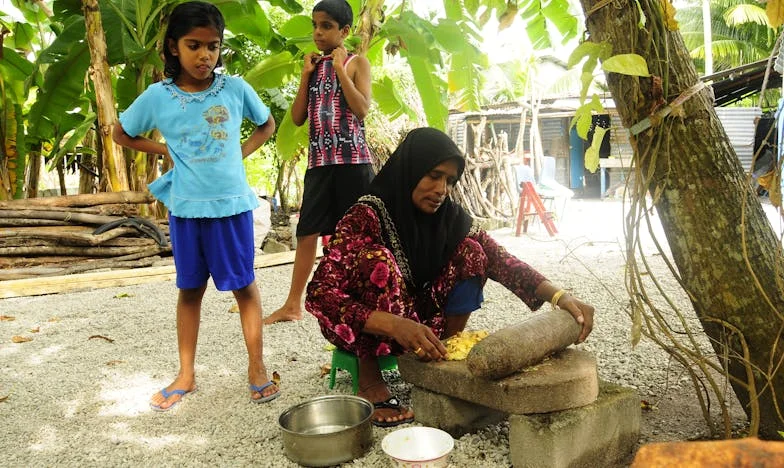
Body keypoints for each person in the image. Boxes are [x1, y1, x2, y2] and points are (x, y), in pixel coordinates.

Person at [305, 128, 595, 427]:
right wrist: (393, 324)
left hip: (417, 325)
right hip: (358, 325)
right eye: (433, 175)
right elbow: (319, 293)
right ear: (410, 169)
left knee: (473, 251)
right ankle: (369, 378)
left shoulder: (449, 217)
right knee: (375, 261)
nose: (442, 188)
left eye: (449, 180)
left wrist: (560, 296)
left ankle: (445, 350)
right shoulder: (366, 215)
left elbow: (499, 259)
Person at [112, 1, 279, 411]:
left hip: (232, 208)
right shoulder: (157, 97)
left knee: (244, 286)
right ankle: (186, 374)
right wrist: (164, 150)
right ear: (173, 47)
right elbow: (121, 133)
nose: (205, 55)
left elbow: (267, 124)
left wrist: (238, 154)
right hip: (186, 209)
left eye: (213, 46)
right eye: (194, 45)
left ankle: (256, 367)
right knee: (189, 290)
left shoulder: (236, 89)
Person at [265, 0, 374, 325]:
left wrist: (341, 69)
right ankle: (292, 305)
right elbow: (298, 118)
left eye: (326, 26)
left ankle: (364, 301)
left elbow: (362, 109)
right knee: (307, 232)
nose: (317, 32)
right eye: (315, 25)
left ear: (344, 31)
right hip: (320, 163)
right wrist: (305, 76)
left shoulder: (357, 63)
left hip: (353, 163)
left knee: (360, 234)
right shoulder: (312, 68)